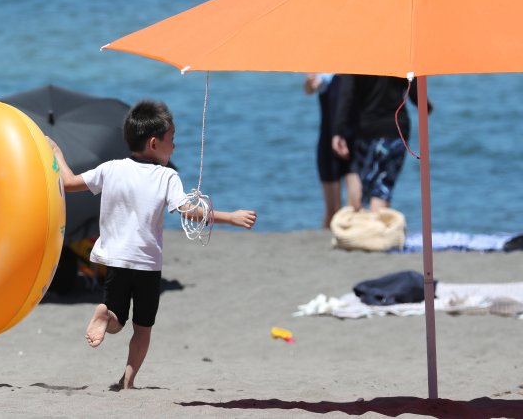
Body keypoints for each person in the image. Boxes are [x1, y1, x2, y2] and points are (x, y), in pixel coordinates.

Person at [49, 99, 256, 390]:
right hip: (147, 264)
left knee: (117, 320)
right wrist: (230, 217)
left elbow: (69, 183)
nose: (175, 146)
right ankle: (128, 381)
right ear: (154, 143)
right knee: (143, 328)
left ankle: (105, 314)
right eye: (172, 139)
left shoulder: (111, 169)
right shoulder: (167, 176)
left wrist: (56, 153)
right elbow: (189, 212)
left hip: (116, 261)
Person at [332, 75, 431, 211]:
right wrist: (427, 106)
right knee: (382, 189)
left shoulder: (354, 62)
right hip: (394, 129)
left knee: (361, 185)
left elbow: (346, 94)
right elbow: (414, 92)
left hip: (366, 129)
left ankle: (360, 220)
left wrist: (338, 131)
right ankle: (376, 223)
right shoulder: (400, 61)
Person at [303, 73, 361, 228]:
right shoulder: (327, 74)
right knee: (333, 211)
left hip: (354, 143)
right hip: (328, 144)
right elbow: (310, 88)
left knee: (355, 208)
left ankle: (350, 240)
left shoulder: (359, 70)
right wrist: (310, 83)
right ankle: (325, 241)